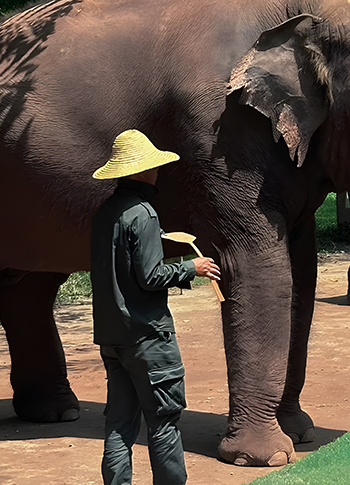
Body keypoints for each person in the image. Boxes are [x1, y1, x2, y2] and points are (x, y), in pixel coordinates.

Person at [90, 129, 221, 485]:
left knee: (119, 425)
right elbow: (149, 277)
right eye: (153, 166)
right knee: (163, 423)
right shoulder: (143, 214)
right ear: (141, 170)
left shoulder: (105, 213)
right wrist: (191, 268)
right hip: (148, 337)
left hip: (113, 337)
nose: (157, 171)